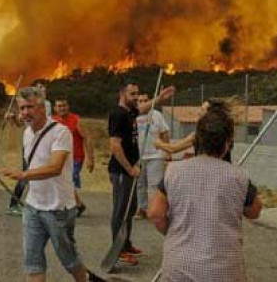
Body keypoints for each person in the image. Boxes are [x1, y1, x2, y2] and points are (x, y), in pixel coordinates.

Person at [147, 101, 262, 281]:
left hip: (179, 268)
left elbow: (155, 213)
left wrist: (173, 232)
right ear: (227, 143)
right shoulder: (239, 177)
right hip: (224, 271)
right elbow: (254, 211)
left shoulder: (174, 171)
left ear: (197, 140)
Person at [0, 87, 88, 282]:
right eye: (22, 108)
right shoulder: (27, 133)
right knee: (33, 263)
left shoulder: (61, 132)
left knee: (69, 260)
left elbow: (55, 167)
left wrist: (24, 174)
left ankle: (84, 279)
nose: (25, 113)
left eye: (29, 107)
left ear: (42, 108)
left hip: (58, 209)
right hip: (33, 207)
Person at [107, 81, 173, 266]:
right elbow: (114, 145)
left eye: (137, 94)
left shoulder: (130, 111)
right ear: (122, 94)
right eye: (132, 94)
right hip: (121, 172)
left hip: (130, 170)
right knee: (121, 211)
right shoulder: (118, 115)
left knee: (130, 208)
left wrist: (159, 98)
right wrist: (130, 169)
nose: (136, 97)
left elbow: (143, 109)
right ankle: (117, 250)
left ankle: (126, 244)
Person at [8, 81, 54, 215]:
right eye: (39, 89)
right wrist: (12, 118)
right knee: (27, 172)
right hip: (31, 142)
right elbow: (19, 122)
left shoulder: (48, 105)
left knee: (44, 171)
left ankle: (44, 203)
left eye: (43, 90)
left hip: (46, 141)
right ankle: (13, 203)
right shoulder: (28, 106)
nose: (42, 92)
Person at [52, 97, 95, 217]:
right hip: (59, 157)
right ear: (55, 108)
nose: (62, 108)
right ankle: (78, 205)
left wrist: (90, 159)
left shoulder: (76, 120)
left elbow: (87, 138)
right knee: (63, 181)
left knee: (68, 181)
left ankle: (73, 206)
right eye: (59, 106)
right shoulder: (53, 121)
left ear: (68, 106)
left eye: (64, 105)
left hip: (75, 157)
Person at [154, 98, 233, 162]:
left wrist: (158, 143)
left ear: (209, 114)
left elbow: (172, 148)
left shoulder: (198, 135)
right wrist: (192, 156)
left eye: (202, 110)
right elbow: (211, 155)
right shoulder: (224, 132)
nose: (198, 112)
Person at [134, 93, 170, 219]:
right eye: (140, 100)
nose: (143, 102)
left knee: (154, 185)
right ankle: (142, 208)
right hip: (139, 156)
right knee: (140, 183)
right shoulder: (134, 116)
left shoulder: (157, 115)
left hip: (155, 155)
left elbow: (164, 132)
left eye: (145, 100)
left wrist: (167, 151)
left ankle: (155, 209)